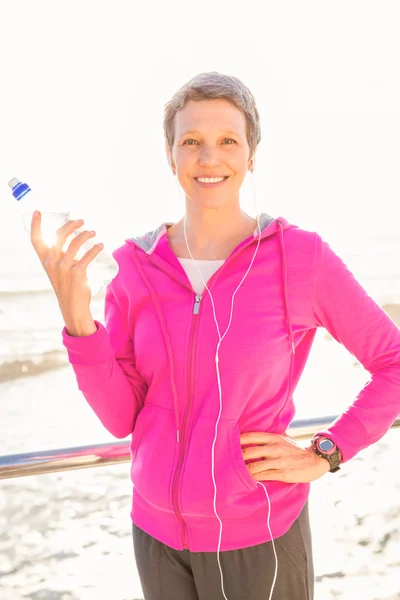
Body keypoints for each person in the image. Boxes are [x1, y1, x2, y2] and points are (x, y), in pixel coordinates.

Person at [30, 71, 400, 600]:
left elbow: (393, 362)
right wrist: (77, 317)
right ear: (170, 156)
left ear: (251, 156)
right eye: (191, 142)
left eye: (228, 141)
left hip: (260, 537)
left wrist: (327, 450)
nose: (209, 158)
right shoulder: (135, 268)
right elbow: (120, 416)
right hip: (154, 535)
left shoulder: (299, 258)